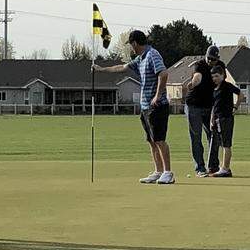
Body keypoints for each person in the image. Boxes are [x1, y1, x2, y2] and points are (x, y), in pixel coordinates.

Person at [93, 30, 174, 184]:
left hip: (157, 105)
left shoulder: (152, 54)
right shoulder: (140, 59)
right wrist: (101, 70)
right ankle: (158, 171)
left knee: (160, 140)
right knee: (151, 140)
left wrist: (157, 95)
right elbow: (122, 67)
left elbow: (163, 74)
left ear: (135, 43)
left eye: (130, 45)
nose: (130, 48)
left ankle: (168, 172)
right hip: (145, 107)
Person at [182, 45, 220, 177]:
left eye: (213, 59)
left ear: (218, 59)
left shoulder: (220, 66)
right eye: (209, 58)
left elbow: (221, 82)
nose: (210, 61)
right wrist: (193, 83)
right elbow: (197, 77)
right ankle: (200, 168)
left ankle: (213, 166)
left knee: (214, 136)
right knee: (196, 137)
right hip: (194, 105)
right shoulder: (199, 64)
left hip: (210, 106)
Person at [209, 62, 244, 178]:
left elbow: (241, 94)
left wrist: (235, 106)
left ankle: (225, 168)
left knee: (226, 144)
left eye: (217, 76)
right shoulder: (215, 89)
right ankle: (223, 167)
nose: (215, 79)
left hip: (226, 118)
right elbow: (214, 106)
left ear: (223, 75)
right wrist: (211, 119)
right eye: (213, 77)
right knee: (221, 144)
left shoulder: (227, 86)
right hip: (217, 119)